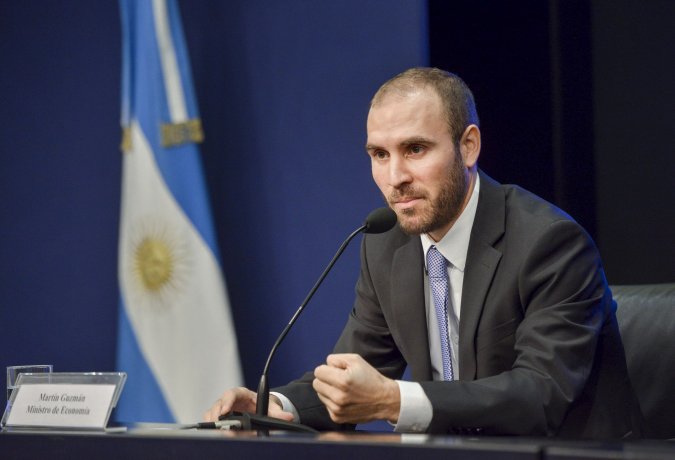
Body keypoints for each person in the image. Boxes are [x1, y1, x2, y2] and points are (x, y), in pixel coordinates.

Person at [204, 67, 641, 438]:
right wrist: (274, 405)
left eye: (415, 149)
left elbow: (540, 395)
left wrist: (394, 400)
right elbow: (354, 379)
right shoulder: (386, 245)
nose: (395, 176)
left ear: (468, 146)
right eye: (379, 154)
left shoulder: (549, 243)